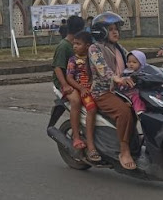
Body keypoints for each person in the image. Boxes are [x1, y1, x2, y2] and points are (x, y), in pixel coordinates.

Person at [88, 12, 137, 170]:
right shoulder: (95, 48)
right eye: (110, 29)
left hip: (121, 91)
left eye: (116, 28)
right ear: (101, 31)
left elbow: (133, 61)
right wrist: (116, 78)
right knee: (123, 112)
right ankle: (124, 150)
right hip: (102, 92)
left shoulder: (118, 48)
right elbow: (102, 69)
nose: (115, 32)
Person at [65, 30, 100, 162]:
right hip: (81, 90)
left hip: (93, 89)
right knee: (91, 108)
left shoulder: (93, 59)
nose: (74, 46)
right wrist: (81, 88)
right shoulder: (73, 60)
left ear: (87, 46)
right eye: (74, 44)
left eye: (78, 44)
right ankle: (85, 143)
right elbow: (69, 77)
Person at [51, 15, 85, 150]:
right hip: (64, 82)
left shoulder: (80, 44)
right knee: (76, 101)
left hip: (78, 80)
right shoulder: (63, 46)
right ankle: (76, 137)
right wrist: (65, 85)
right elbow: (58, 68)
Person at [121, 50, 147, 115]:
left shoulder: (143, 72)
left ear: (141, 63)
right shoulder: (126, 73)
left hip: (141, 90)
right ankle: (139, 111)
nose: (131, 64)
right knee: (136, 97)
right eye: (129, 62)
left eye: (134, 62)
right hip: (129, 91)